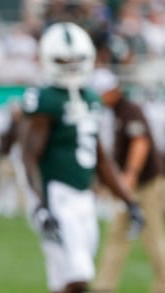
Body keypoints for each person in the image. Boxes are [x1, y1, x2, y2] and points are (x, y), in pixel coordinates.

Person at [19, 22, 145, 293]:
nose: (70, 65)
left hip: (84, 197)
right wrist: (39, 205)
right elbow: (29, 156)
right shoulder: (45, 99)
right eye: (63, 59)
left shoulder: (90, 97)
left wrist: (129, 200)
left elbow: (101, 159)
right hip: (58, 194)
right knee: (79, 277)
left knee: (66, 280)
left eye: (76, 59)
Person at [90, 68, 165, 293]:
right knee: (117, 235)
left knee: (152, 236)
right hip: (130, 187)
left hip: (146, 184)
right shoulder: (114, 113)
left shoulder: (129, 110)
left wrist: (130, 175)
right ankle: (104, 287)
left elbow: (140, 143)